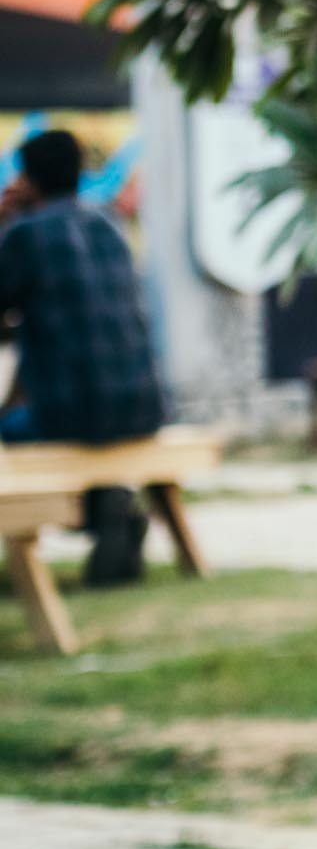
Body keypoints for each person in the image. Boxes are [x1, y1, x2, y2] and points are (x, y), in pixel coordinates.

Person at [0, 128, 167, 584]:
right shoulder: (109, 223)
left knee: (9, 427)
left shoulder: (25, 235)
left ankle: (89, 516)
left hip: (73, 413)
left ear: (28, 181)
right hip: (145, 407)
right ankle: (109, 504)